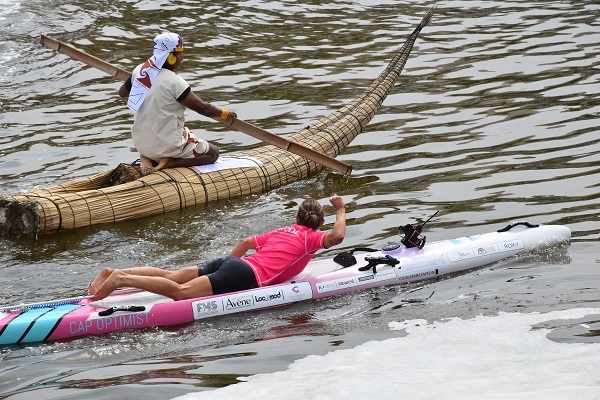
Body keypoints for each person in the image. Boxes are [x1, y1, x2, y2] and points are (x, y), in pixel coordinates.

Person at [88, 194, 347, 301]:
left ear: (296, 218)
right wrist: (341, 209)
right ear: (319, 223)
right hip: (245, 274)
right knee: (180, 293)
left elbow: (246, 243)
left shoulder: (282, 230)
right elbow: (336, 237)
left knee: (169, 276)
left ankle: (114, 271)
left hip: (233, 264)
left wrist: (226, 265)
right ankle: (120, 278)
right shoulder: (310, 239)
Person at [118, 32, 238, 174]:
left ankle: (147, 156)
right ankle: (171, 162)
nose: (182, 57)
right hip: (166, 145)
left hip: (140, 143)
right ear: (170, 56)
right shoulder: (174, 82)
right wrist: (225, 113)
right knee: (213, 154)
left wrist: (139, 82)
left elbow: (122, 93)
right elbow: (204, 109)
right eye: (180, 54)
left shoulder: (140, 71)